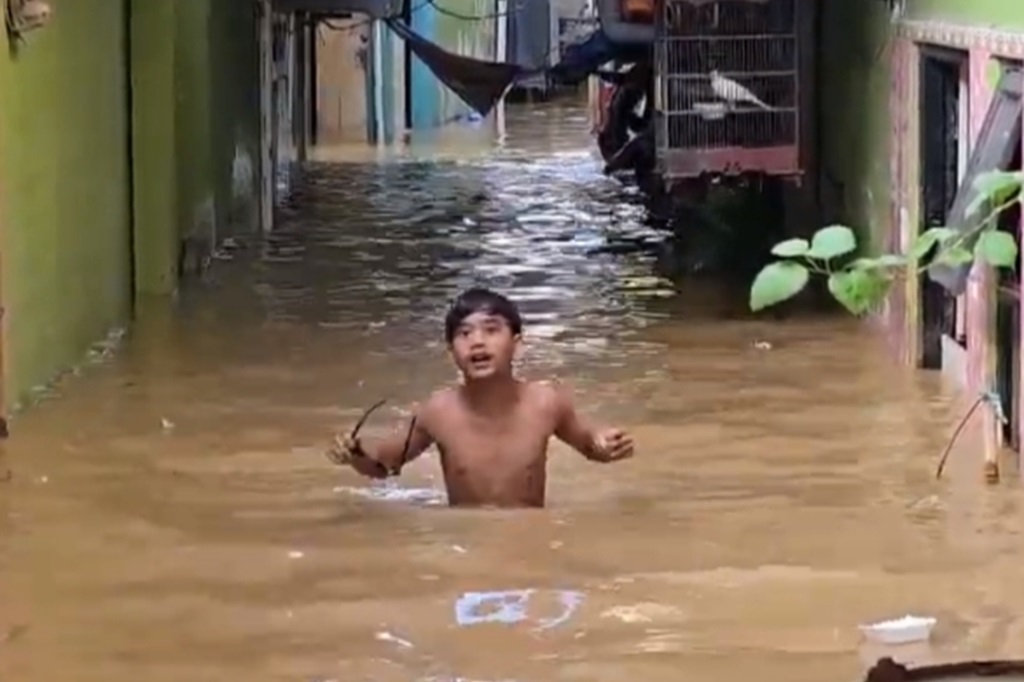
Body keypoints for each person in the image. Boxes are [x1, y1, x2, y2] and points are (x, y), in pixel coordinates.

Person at [327, 287, 634, 507]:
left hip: (528, 539)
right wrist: (356, 455)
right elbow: (383, 468)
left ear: (517, 344)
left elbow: (588, 445)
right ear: (451, 352)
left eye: (491, 330)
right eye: (464, 334)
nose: (477, 342)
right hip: (466, 542)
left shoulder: (545, 404)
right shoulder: (437, 412)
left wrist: (605, 443)